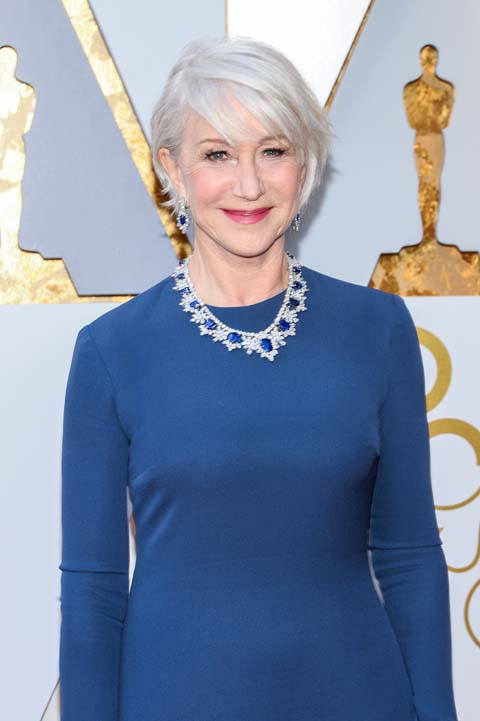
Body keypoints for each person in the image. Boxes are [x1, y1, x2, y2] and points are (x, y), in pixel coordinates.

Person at [58, 34, 459, 721]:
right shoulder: (111, 351)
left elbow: (410, 556)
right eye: (217, 154)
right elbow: (94, 593)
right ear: (173, 168)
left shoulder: (377, 329)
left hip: (360, 700)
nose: (248, 184)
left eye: (273, 150)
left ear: (305, 165)